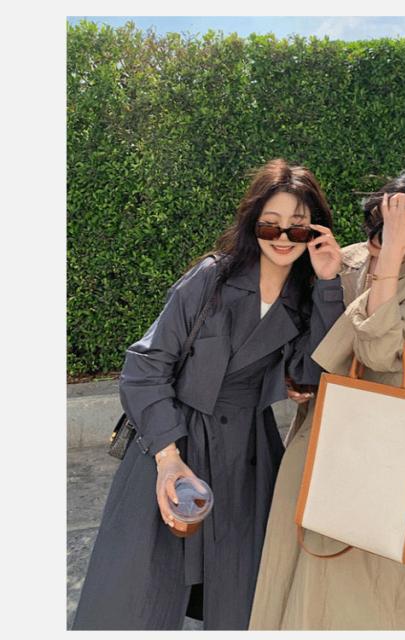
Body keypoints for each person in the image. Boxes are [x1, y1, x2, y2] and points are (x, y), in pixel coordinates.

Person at [72, 159, 345, 630]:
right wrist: (168, 458)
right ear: (252, 223)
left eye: (298, 228)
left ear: (315, 232)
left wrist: (327, 284)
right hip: (172, 442)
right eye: (271, 224)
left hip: (247, 457)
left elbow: (312, 372)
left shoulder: (305, 298)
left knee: (240, 596)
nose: (283, 238)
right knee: (136, 596)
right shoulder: (212, 278)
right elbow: (145, 367)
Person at [249, 165, 405, 630]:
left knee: (362, 575)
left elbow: (378, 356)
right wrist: (294, 373)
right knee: (296, 554)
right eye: (389, 212)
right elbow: (307, 331)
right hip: (320, 429)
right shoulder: (349, 258)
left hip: (376, 444)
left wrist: (390, 262)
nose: (388, 228)